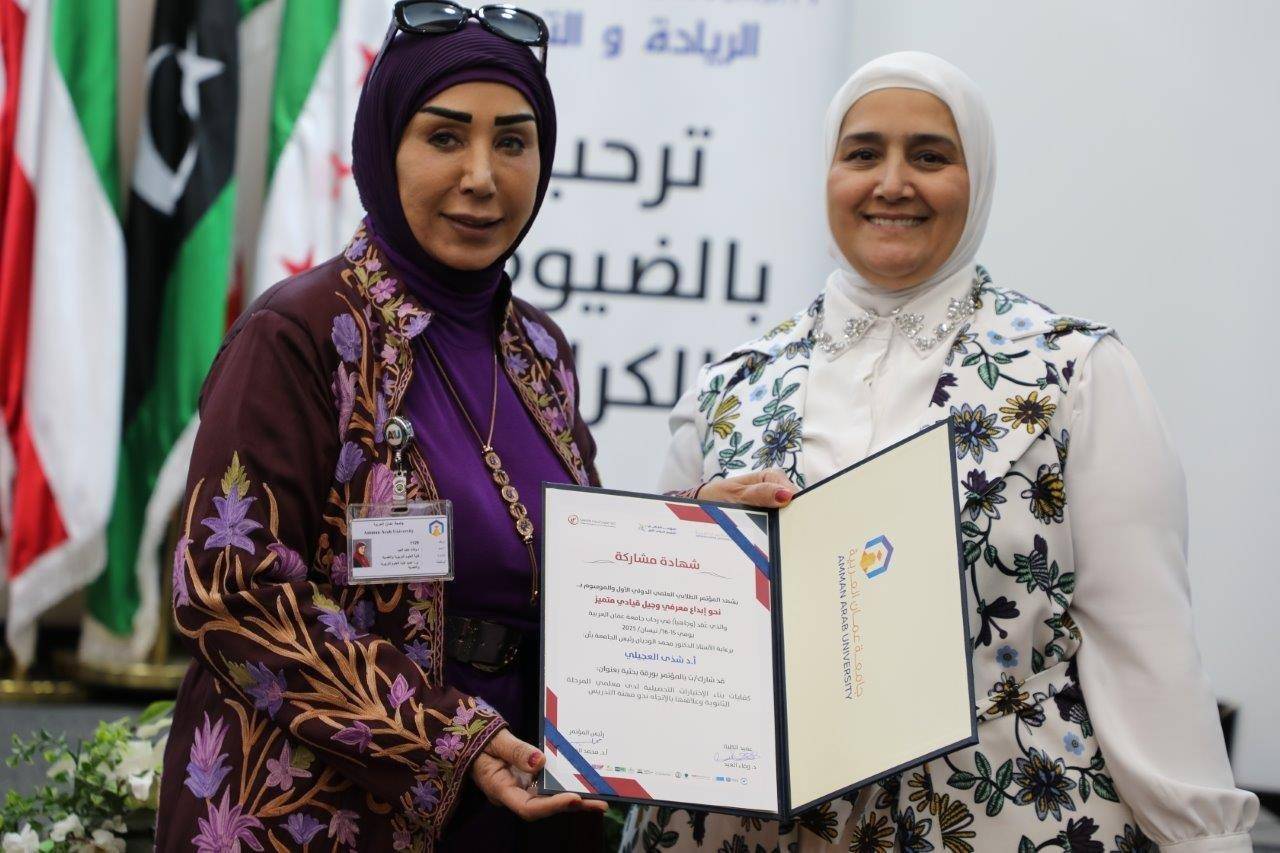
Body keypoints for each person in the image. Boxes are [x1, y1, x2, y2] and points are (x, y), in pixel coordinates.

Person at [629, 51, 1258, 852]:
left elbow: (1148, 649)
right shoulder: (732, 386)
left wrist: (1205, 837)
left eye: (929, 156)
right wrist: (696, 549)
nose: (892, 183)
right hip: (751, 829)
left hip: (1002, 817)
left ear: (978, 177)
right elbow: (666, 649)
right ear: (828, 174)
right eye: (863, 154)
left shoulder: (1075, 374)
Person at [155, 6, 608, 851]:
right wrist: (444, 736)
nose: (483, 176)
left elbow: (577, 563)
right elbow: (229, 590)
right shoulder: (299, 334)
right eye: (445, 137)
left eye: (513, 142)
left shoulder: (540, 350)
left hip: (515, 808)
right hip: (319, 814)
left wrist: (696, 535)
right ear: (381, 147)